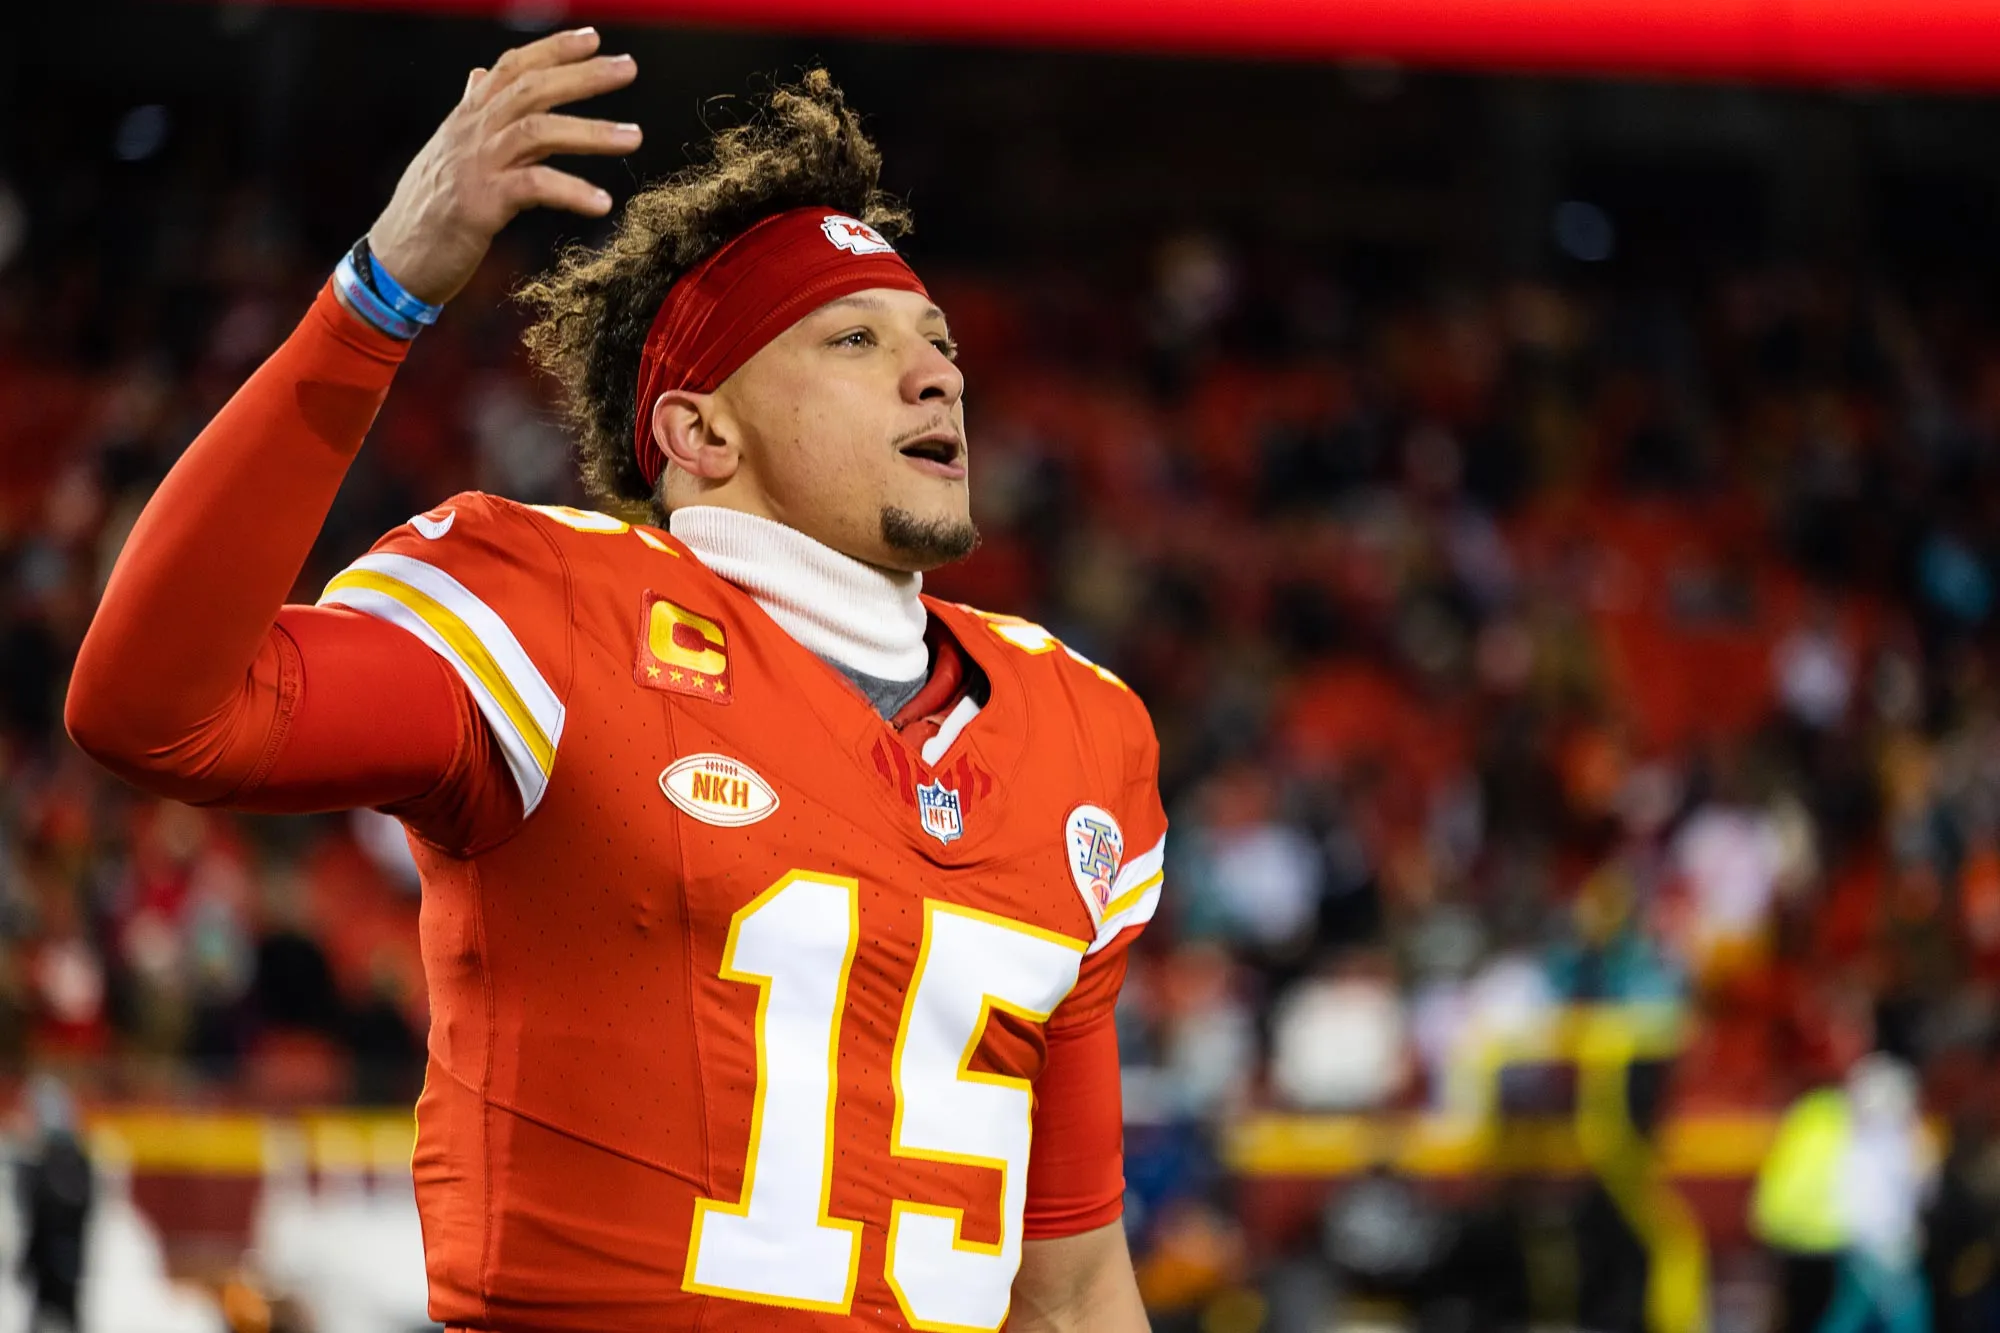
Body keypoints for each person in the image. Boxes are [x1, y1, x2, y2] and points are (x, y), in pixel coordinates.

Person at [64, 31, 1163, 1332]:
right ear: (699, 431)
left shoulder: (1082, 731)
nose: (939, 373)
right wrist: (378, 298)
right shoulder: (553, 613)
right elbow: (156, 714)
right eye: (854, 340)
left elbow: (1073, 1291)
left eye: (937, 340)